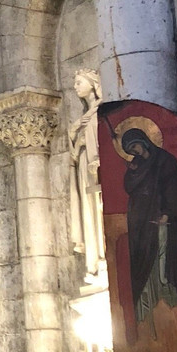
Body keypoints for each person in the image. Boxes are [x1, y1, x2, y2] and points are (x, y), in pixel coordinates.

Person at [121, 127, 177, 329]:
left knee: (162, 257)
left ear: (144, 140)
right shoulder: (136, 166)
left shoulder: (165, 161)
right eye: (131, 150)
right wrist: (132, 173)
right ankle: (145, 308)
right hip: (140, 223)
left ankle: (167, 294)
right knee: (143, 262)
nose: (135, 152)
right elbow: (129, 188)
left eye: (135, 146)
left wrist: (168, 213)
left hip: (161, 219)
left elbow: (174, 188)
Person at [69, 69, 106, 282]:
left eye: (78, 82)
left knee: (99, 208)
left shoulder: (101, 111)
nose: (75, 87)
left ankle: (103, 257)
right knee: (88, 210)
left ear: (92, 84)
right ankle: (93, 260)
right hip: (85, 165)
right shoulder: (85, 116)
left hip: (98, 166)